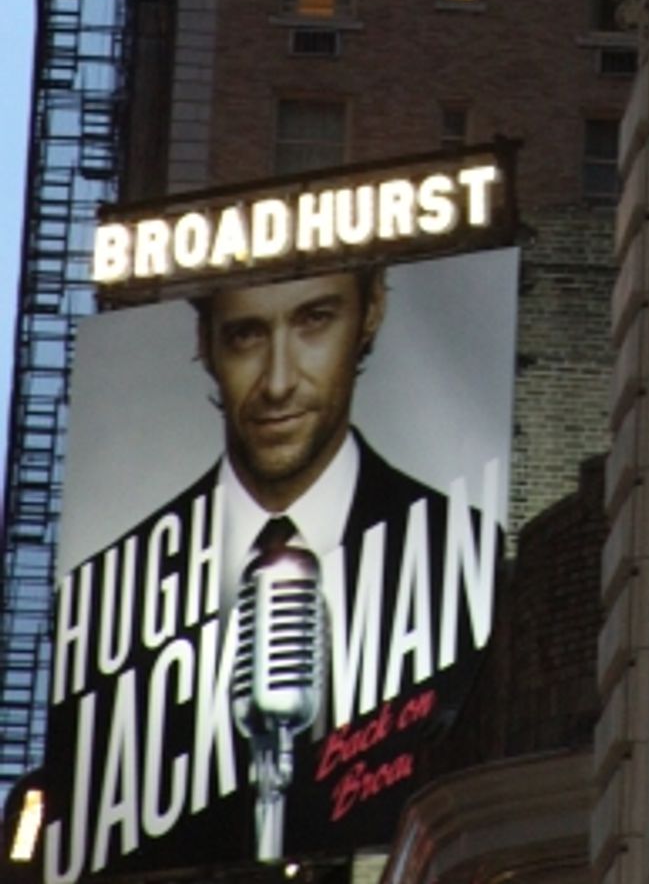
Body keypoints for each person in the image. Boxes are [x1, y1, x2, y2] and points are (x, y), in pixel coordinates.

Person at [44, 268, 495, 883]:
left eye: (314, 320)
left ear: (372, 312)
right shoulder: (102, 602)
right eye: (246, 336)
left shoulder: (467, 551)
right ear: (205, 344)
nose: (279, 383)